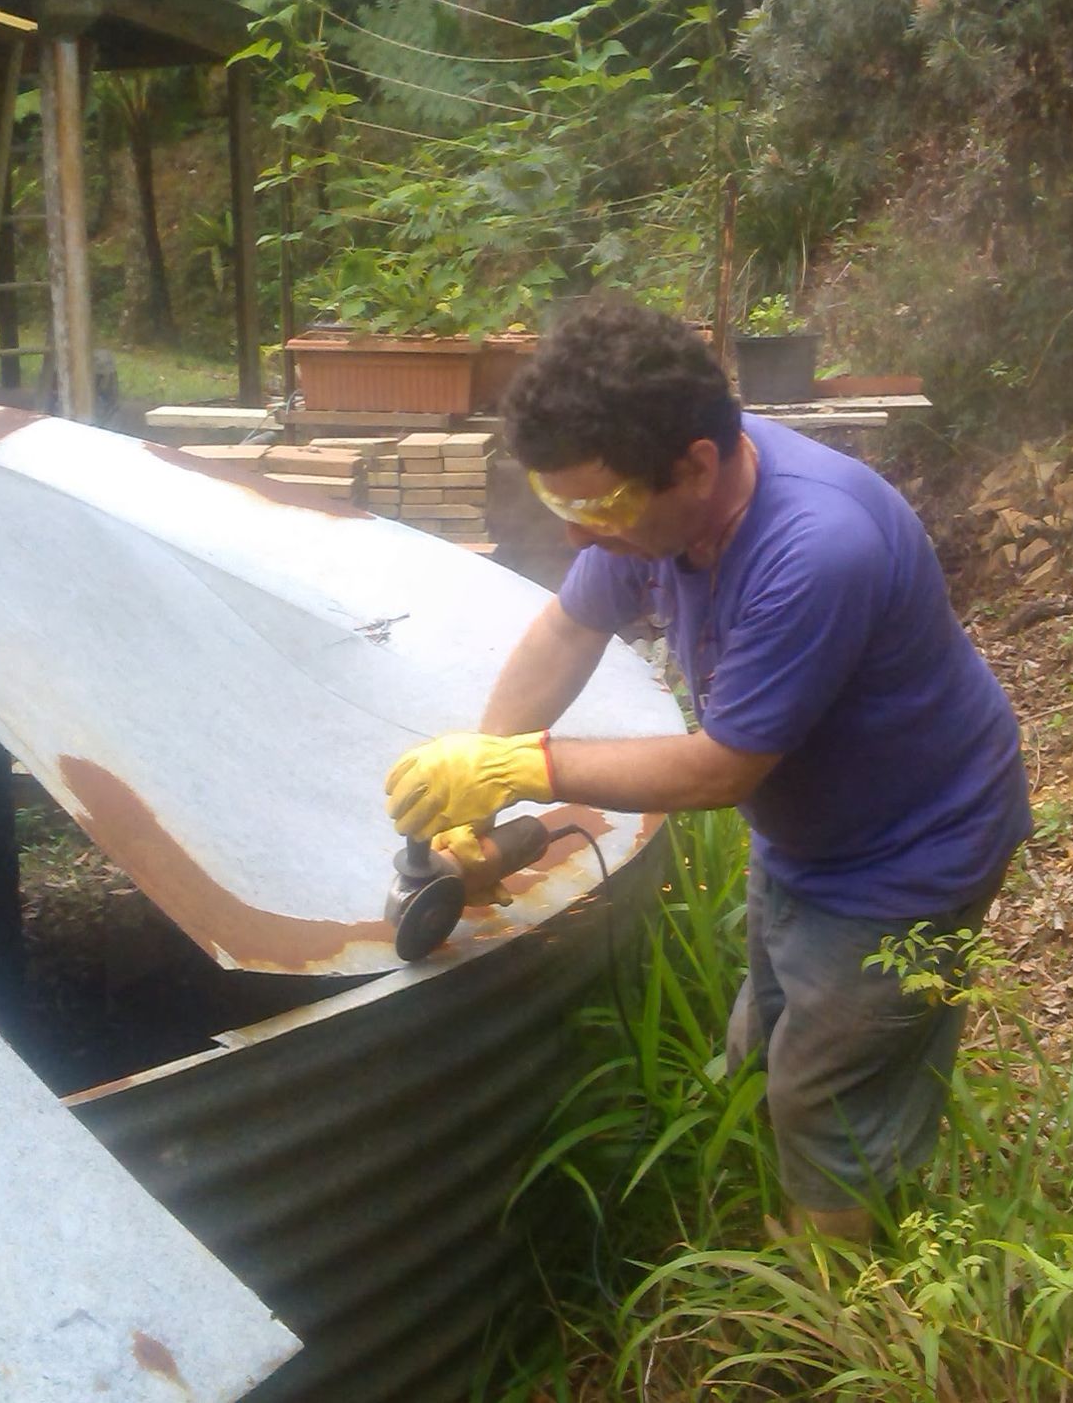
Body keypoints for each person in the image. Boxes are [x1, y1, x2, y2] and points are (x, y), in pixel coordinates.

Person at [383, 298, 1031, 1242]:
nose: (576, 534)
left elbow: (720, 770)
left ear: (696, 465)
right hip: (811, 831)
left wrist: (529, 767)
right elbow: (571, 626)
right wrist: (479, 778)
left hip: (913, 852)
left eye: (594, 507)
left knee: (824, 1098)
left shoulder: (816, 548)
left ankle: (842, 1332)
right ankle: (792, 1217)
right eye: (558, 505)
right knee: (766, 1035)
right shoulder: (652, 511)